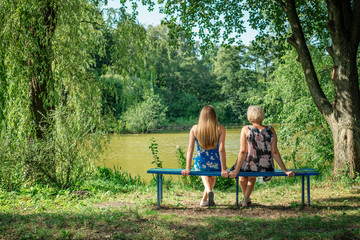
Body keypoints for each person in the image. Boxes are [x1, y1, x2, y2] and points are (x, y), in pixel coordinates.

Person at [229, 105, 295, 207]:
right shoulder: (270, 129)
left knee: (243, 175)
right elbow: (275, 152)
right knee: (250, 176)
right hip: (265, 165)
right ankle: (246, 199)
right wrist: (285, 170)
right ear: (262, 116)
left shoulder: (246, 129)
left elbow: (243, 152)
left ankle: (245, 200)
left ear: (250, 117)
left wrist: (236, 170)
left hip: (249, 163)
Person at [181, 105, 229, 207]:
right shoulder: (220, 129)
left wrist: (187, 168)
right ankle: (205, 198)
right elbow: (221, 150)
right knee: (212, 176)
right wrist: (223, 169)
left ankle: (207, 193)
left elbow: (190, 149)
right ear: (214, 116)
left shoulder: (195, 129)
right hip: (216, 164)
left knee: (204, 172)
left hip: (200, 163)